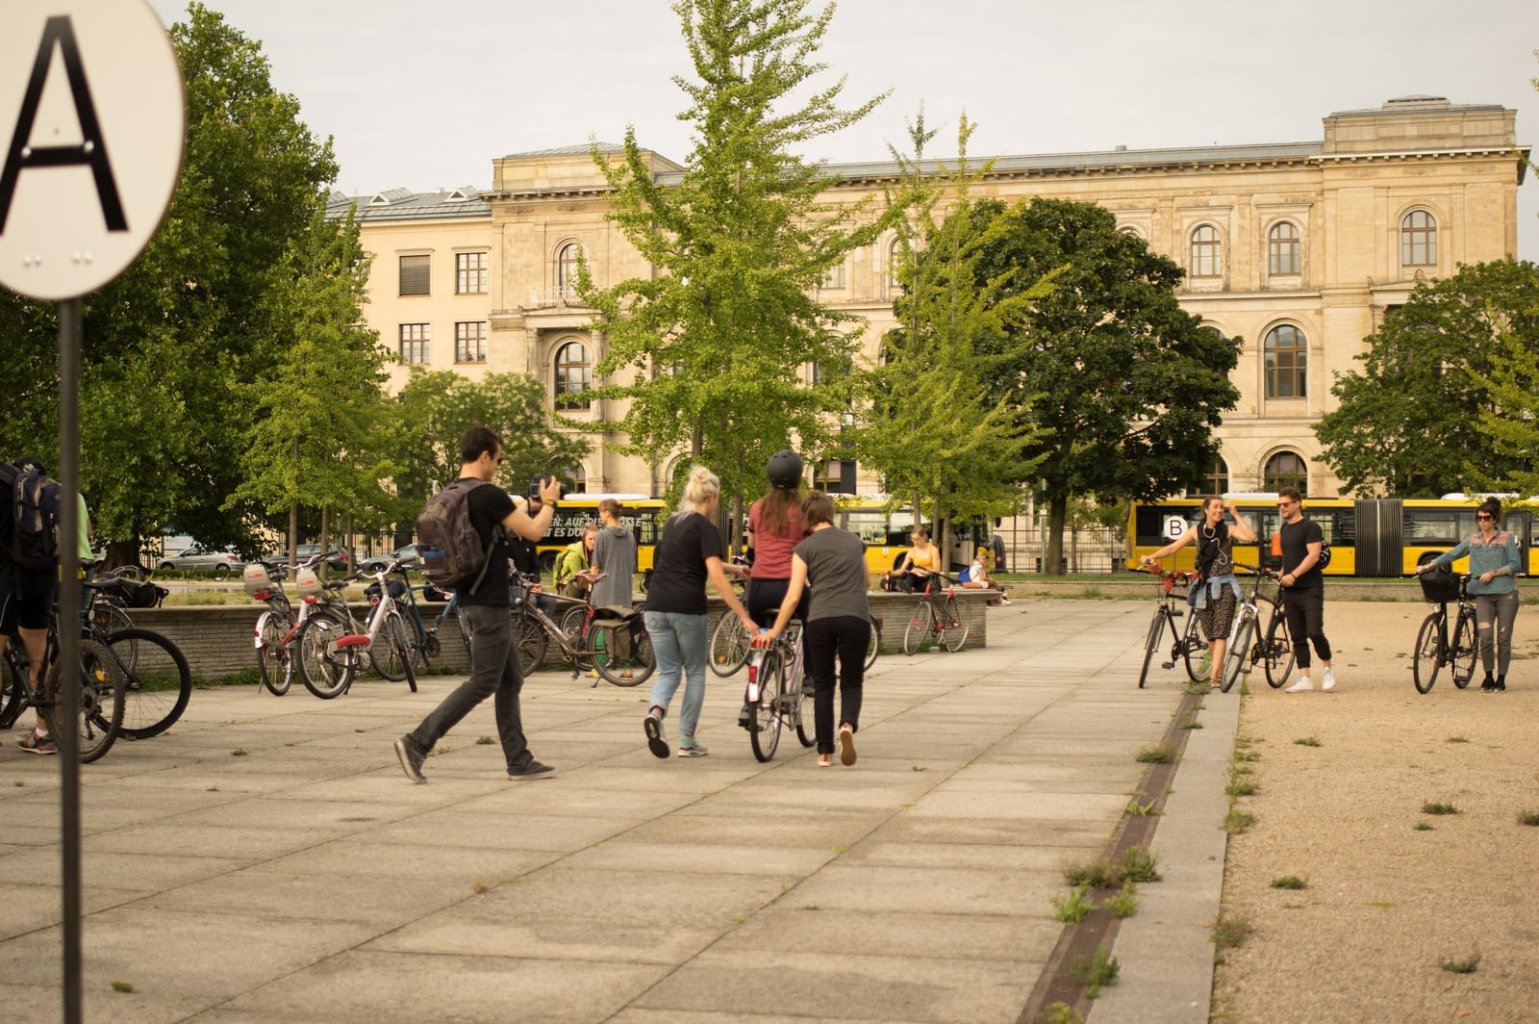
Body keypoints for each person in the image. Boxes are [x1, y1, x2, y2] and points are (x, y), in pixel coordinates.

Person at [395, 426, 561, 782]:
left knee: (510, 679)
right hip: (489, 603)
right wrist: (549, 502)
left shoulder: (450, 493)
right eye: (498, 459)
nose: (498, 466)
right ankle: (417, 742)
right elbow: (533, 532)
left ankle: (519, 759)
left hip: (469, 598)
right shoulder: (487, 495)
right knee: (484, 681)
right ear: (484, 456)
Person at [642, 465, 756, 759]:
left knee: (668, 671)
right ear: (712, 498)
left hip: (655, 606)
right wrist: (743, 615)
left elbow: (696, 562)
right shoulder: (707, 528)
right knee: (694, 672)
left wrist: (737, 569)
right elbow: (715, 579)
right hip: (686, 608)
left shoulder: (673, 522)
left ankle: (655, 712)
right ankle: (687, 740)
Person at [756, 491, 871, 767]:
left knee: (823, 685)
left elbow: (794, 596)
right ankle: (847, 726)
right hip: (855, 616)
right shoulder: (855, 543)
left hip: (820, 619)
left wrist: (774, 631)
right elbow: (866, 582)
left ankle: (825, 752)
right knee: (852, 680)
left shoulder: (804, 549)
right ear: (830, 514)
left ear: (808, 518)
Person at [1139, 496, 1256, 690]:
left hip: (1225, 586)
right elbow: (1172, 548)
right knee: (1210, 634)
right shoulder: (1195, 531)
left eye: (1221, 507)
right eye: (1215, 507)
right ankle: (1218, 667)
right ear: (1206, 510)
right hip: (1203, 586)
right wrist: (1150, 557)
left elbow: (1251, 537)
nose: (1219, 510)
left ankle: (1214, 677)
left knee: (1221, 633)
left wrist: (1236, 514)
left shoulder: (1229, 530)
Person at [1416, 497, 1520, 692]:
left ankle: (1501, 678)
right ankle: (1488, 676)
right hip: (1482, 594)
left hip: (1506, 593)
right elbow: (1452, 554)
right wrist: (1429, 565)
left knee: (1503, 638)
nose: (1482, 521)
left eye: (1487, 518)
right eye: (1479, 518)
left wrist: (1494, 573)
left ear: (1495, 520)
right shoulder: (1473, 540)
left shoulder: (1506, 539)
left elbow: (1515, 564)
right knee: (1486, 637)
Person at [739, 450, 809, 727]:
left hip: (759, 591)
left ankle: (748, 705)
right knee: (812, 620)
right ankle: (813, 677)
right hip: (789, 587)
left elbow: (752, 548)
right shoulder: (803, 509)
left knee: (763, 644)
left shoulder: (757, 507)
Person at [0, 458, 61, 753]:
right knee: (40, 657)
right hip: (40, 572)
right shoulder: (18, 480)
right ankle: (48, 733)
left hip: (8, 579)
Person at [1275, 487, 1337, 693]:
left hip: (1310, 587)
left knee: (1314, 631)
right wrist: (1282, 573)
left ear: (1297, 503)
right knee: (1297, 635)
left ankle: (1327, 668)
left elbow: (1313, 556)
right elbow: (1288, 557)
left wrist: (1294, 575)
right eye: (1279, 505)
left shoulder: (1311, 527)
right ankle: (1305, 678)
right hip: (1290, 590)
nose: (1282, 508)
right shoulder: (1284, 529)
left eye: (1285, 504)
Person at [590, 499, 636, 609]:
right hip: (624, 595)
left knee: (600, 625)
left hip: (604, 595)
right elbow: (632, 566)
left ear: (607, 513)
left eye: (600, 512)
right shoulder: (630, 536)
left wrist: (590, 585)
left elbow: (595, 567)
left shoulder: (602, 535)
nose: (599, 515)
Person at [553, 523, 599, 598]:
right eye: (590, 539)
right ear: (584, 538)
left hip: (582, 585)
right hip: (569, 587)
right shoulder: (574, 555)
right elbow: (578, 577)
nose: (593, 542)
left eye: (596, 539)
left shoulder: (593, 551)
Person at [894, 527, 941, 592]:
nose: (915, 542)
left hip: (929, 578)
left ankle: (911, 588)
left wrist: (922, 571)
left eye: (917, 539)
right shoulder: (911, 552)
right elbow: (901, 570)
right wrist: (890, 573)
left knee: (930, 585)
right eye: (913, 539)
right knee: (911, 574)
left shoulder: (933, 550)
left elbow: (937, 571)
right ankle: (906, 586)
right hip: (917, 579)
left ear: (924, 537)